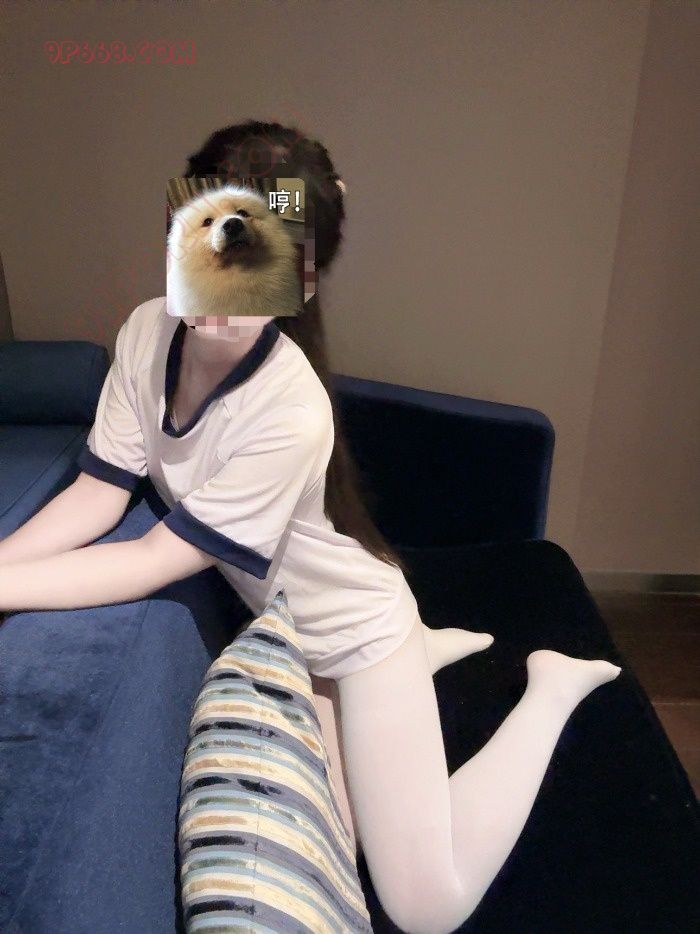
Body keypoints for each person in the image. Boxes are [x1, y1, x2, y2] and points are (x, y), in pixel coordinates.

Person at [0, 120, 621, 933]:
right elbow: (96, 493)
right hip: (290, 630)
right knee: (341, 843)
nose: (221, 298)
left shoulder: (290, 409)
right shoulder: (146, 331)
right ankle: (429, 653)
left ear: (299, 280)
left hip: (358, 630)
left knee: (426, 905)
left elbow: (152, 558)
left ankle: (551, 687)